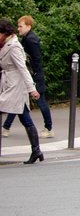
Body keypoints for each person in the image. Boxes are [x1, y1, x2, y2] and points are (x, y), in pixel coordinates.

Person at [0, 18, 44, 163]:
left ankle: (36, 150)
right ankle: (36, 151)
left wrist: (32, 89)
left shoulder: (14, 46)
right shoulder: (5, 44)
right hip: (9, 83)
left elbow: (23, 69)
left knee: (20, 115)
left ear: (5, 33)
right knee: (25, 118)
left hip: (15, 86)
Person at [2, 15, 53, 138]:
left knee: (40, 101)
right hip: (31, 75)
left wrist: (32, 79)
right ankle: (6, 127)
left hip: (33, 75)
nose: (18, 29)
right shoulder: (26, 38)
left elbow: (35, 60)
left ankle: (49, 128)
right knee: (18, 101)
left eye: (21, 26)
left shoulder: (31, 40)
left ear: (28, 26)